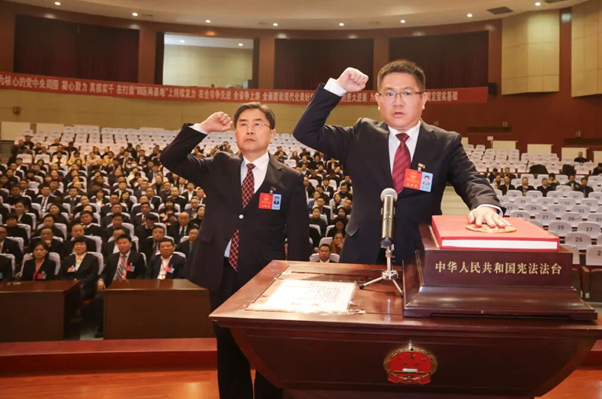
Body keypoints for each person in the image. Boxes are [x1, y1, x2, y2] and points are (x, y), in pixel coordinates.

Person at [160, 102, 310, 399]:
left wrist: (296, 281)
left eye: (258, 123)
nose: (250, 129)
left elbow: (298, 236)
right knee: (228, 348)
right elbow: (170, 158)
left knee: (269, 350)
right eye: (243, 124)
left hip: (267, 280)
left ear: (272, 133)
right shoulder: (219, 166)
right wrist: (203, 128)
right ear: (235, 133)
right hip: (223, 272)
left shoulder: (289, 178)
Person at [293, 61, 504, 264]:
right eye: (389, 93)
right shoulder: (361, 135)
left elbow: (470, 179)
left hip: (418, 253)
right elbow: (306, 131)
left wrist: (484, 206)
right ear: (378, 100)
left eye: (407, 93)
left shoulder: (444, 143)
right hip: (362, 252)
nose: (398, 102)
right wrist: (338, 87)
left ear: (423, 99)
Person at [59, 237, 99, 301]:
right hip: (69, 286)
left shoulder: (93, 259)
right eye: (77, 245)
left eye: (81, 244)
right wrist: (67, 284)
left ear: (86, 246)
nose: (79, 246)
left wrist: (81, 284)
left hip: (85, 286)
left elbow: (93, 275)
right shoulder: (67, 259)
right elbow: (62, 275)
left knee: (77, 296)